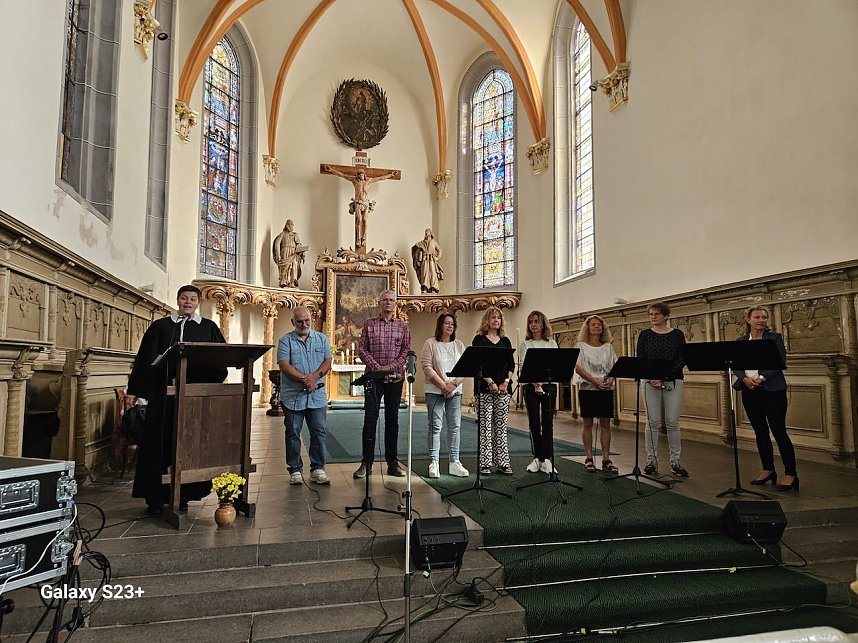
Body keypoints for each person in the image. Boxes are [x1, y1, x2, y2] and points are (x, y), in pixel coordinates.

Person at [125, 285, 227, 514]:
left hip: (193, 399)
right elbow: (143, 360)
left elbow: (220, 360)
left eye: (192, 299)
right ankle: (154, 497)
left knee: (189, 445)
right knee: (157, 444)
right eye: (184, 298)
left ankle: (184, 495)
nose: (188, 302)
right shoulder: (161, 327)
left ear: (198, 303)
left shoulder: (208, 328)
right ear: (178, 300)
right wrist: (134, 390)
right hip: (163, 399)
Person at [733, 306, 798, 491]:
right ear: (748, 320)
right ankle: (768, 469)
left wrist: (761, 378)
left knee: (779, 431)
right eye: (757, 317)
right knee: (760, 431)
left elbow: (779, 362)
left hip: (772, 390)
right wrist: (744, 378)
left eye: (764, 317)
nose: (761, 320)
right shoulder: (741, 341)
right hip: (749, 389)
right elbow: (736, 363)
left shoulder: (774, 338)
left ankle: (791, 474)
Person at [354, 290, 411, 478]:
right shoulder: (369, 324)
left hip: (395, 379)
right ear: (379, 303)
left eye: (391, 300)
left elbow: (406, 350)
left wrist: (390, 367)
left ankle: (392, 463)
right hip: (373, 379)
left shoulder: (402, 326)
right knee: (370, 419)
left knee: (392, 421)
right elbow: (362, 349)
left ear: (395, 304)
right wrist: (378, 368)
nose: (388, 303)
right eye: (385, 300)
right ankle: (366, 463)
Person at [277, 306, 333, 486]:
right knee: (293, 433)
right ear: (293, 322)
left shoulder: (322, 339)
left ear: (311, 319)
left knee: (319, 432)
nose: (304, 324)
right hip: (293, 396)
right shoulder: (285, 341)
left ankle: (318, 469)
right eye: (299, 321)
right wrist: (305, 379)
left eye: (307, 320)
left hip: (317, 396)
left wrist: (315, 377)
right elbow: (284, 365)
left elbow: (327, 361)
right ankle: (294, 470)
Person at [636, 302, 689, 477]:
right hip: (649, 381)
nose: (652, 317)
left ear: (666, 316)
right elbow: (641, 358)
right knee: (652, 421)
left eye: (656, 314)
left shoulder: (677, 334)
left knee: (672, 421)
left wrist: (664, 377)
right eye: (650, 314)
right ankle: (651, 461)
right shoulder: (645, 335)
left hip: (673, 380)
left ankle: (676, 462)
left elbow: (681, 358)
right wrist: (653, 377)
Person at [420, 313, 468, 478]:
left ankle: (454, 461)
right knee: (435, 426)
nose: (450, 326)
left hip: (455, 391)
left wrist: (453, 385)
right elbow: (426, 367)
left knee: (455, 427)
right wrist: (443, 386)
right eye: (447, 323)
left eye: (452, 324)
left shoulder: (459, 345)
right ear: (440, 325)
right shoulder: (430, 343)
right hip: (434, 391)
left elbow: (465, 368)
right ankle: (434, 462)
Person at [472, 307, 515, 475]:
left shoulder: (506, 341)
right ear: (487, 321)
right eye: (493, 317)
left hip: (503, 389)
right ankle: (485, 463)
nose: (496, 320)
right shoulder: (479, 340)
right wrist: (490, 382)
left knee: (501, 427)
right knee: (485, 427)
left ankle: (503, 462)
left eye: (498, 318)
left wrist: (505, 382)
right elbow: (477, 363)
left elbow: (511, 365)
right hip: (484, 388)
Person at [574, 315, 619, 473]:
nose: (596, 327)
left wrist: (610, 380)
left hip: (605, 389)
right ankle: (589, 458)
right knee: (588, 424)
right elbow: (578, 367)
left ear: (603, 328)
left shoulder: (607, 347)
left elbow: (615, 366)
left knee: (605, 424)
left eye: (599, 325)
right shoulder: (581, 346)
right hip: (588, 389)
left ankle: (606, 459)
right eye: (593, 325)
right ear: (587, 328)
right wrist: (595, 381)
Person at [322, 165, 400, 250]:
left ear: (364, 175)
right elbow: (343, 175)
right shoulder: (354, 181)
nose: (361, 176)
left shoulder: (369, 181)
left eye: (362, 175)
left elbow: (380, 178)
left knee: (365, 220)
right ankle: (358, 238)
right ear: (357, 176)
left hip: (366, 203)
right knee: (359, 220)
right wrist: (331, 170)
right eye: (359, 175)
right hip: (358, 203)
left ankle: (364, 238)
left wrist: (391, 175)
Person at [518, 310, 558, 474]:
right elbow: (524, 367)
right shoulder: (526, 344)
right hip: (530, 386)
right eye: (531, 322)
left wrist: (541, 383)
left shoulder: (551, 343)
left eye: (536, 321)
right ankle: (537, 458)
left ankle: (546, 459)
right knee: (534, 422)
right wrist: (536, 384)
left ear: (543, 324)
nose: (533, 324)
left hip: (548, 385)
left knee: (548, 422)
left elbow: (555, 364)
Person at [272, 219, 308, 288]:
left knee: (294, 264)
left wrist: (302, 251)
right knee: (285, 266)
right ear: (286, 225)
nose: (290, 226)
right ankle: (284, 281)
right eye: (289, 224)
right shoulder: (283, 234)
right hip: (285, 251)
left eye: (292, 224)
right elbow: (277, 243)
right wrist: (278, 254)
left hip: (293, 253)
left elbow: (298, 244)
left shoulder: (295, 235)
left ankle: (293, 281)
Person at [411, 228, 444, 293]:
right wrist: (417, 260)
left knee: (433, 273)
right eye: (425, 232)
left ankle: (433, 288)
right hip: (424, 260)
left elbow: (440, 250)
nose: (426, 233)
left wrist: (437, 258)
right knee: (424, 273)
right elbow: (417, 251)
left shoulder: (434, 242)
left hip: (432, 260)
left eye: (427, 232)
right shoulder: (421, 243)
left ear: (430, 233)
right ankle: (424, 287)